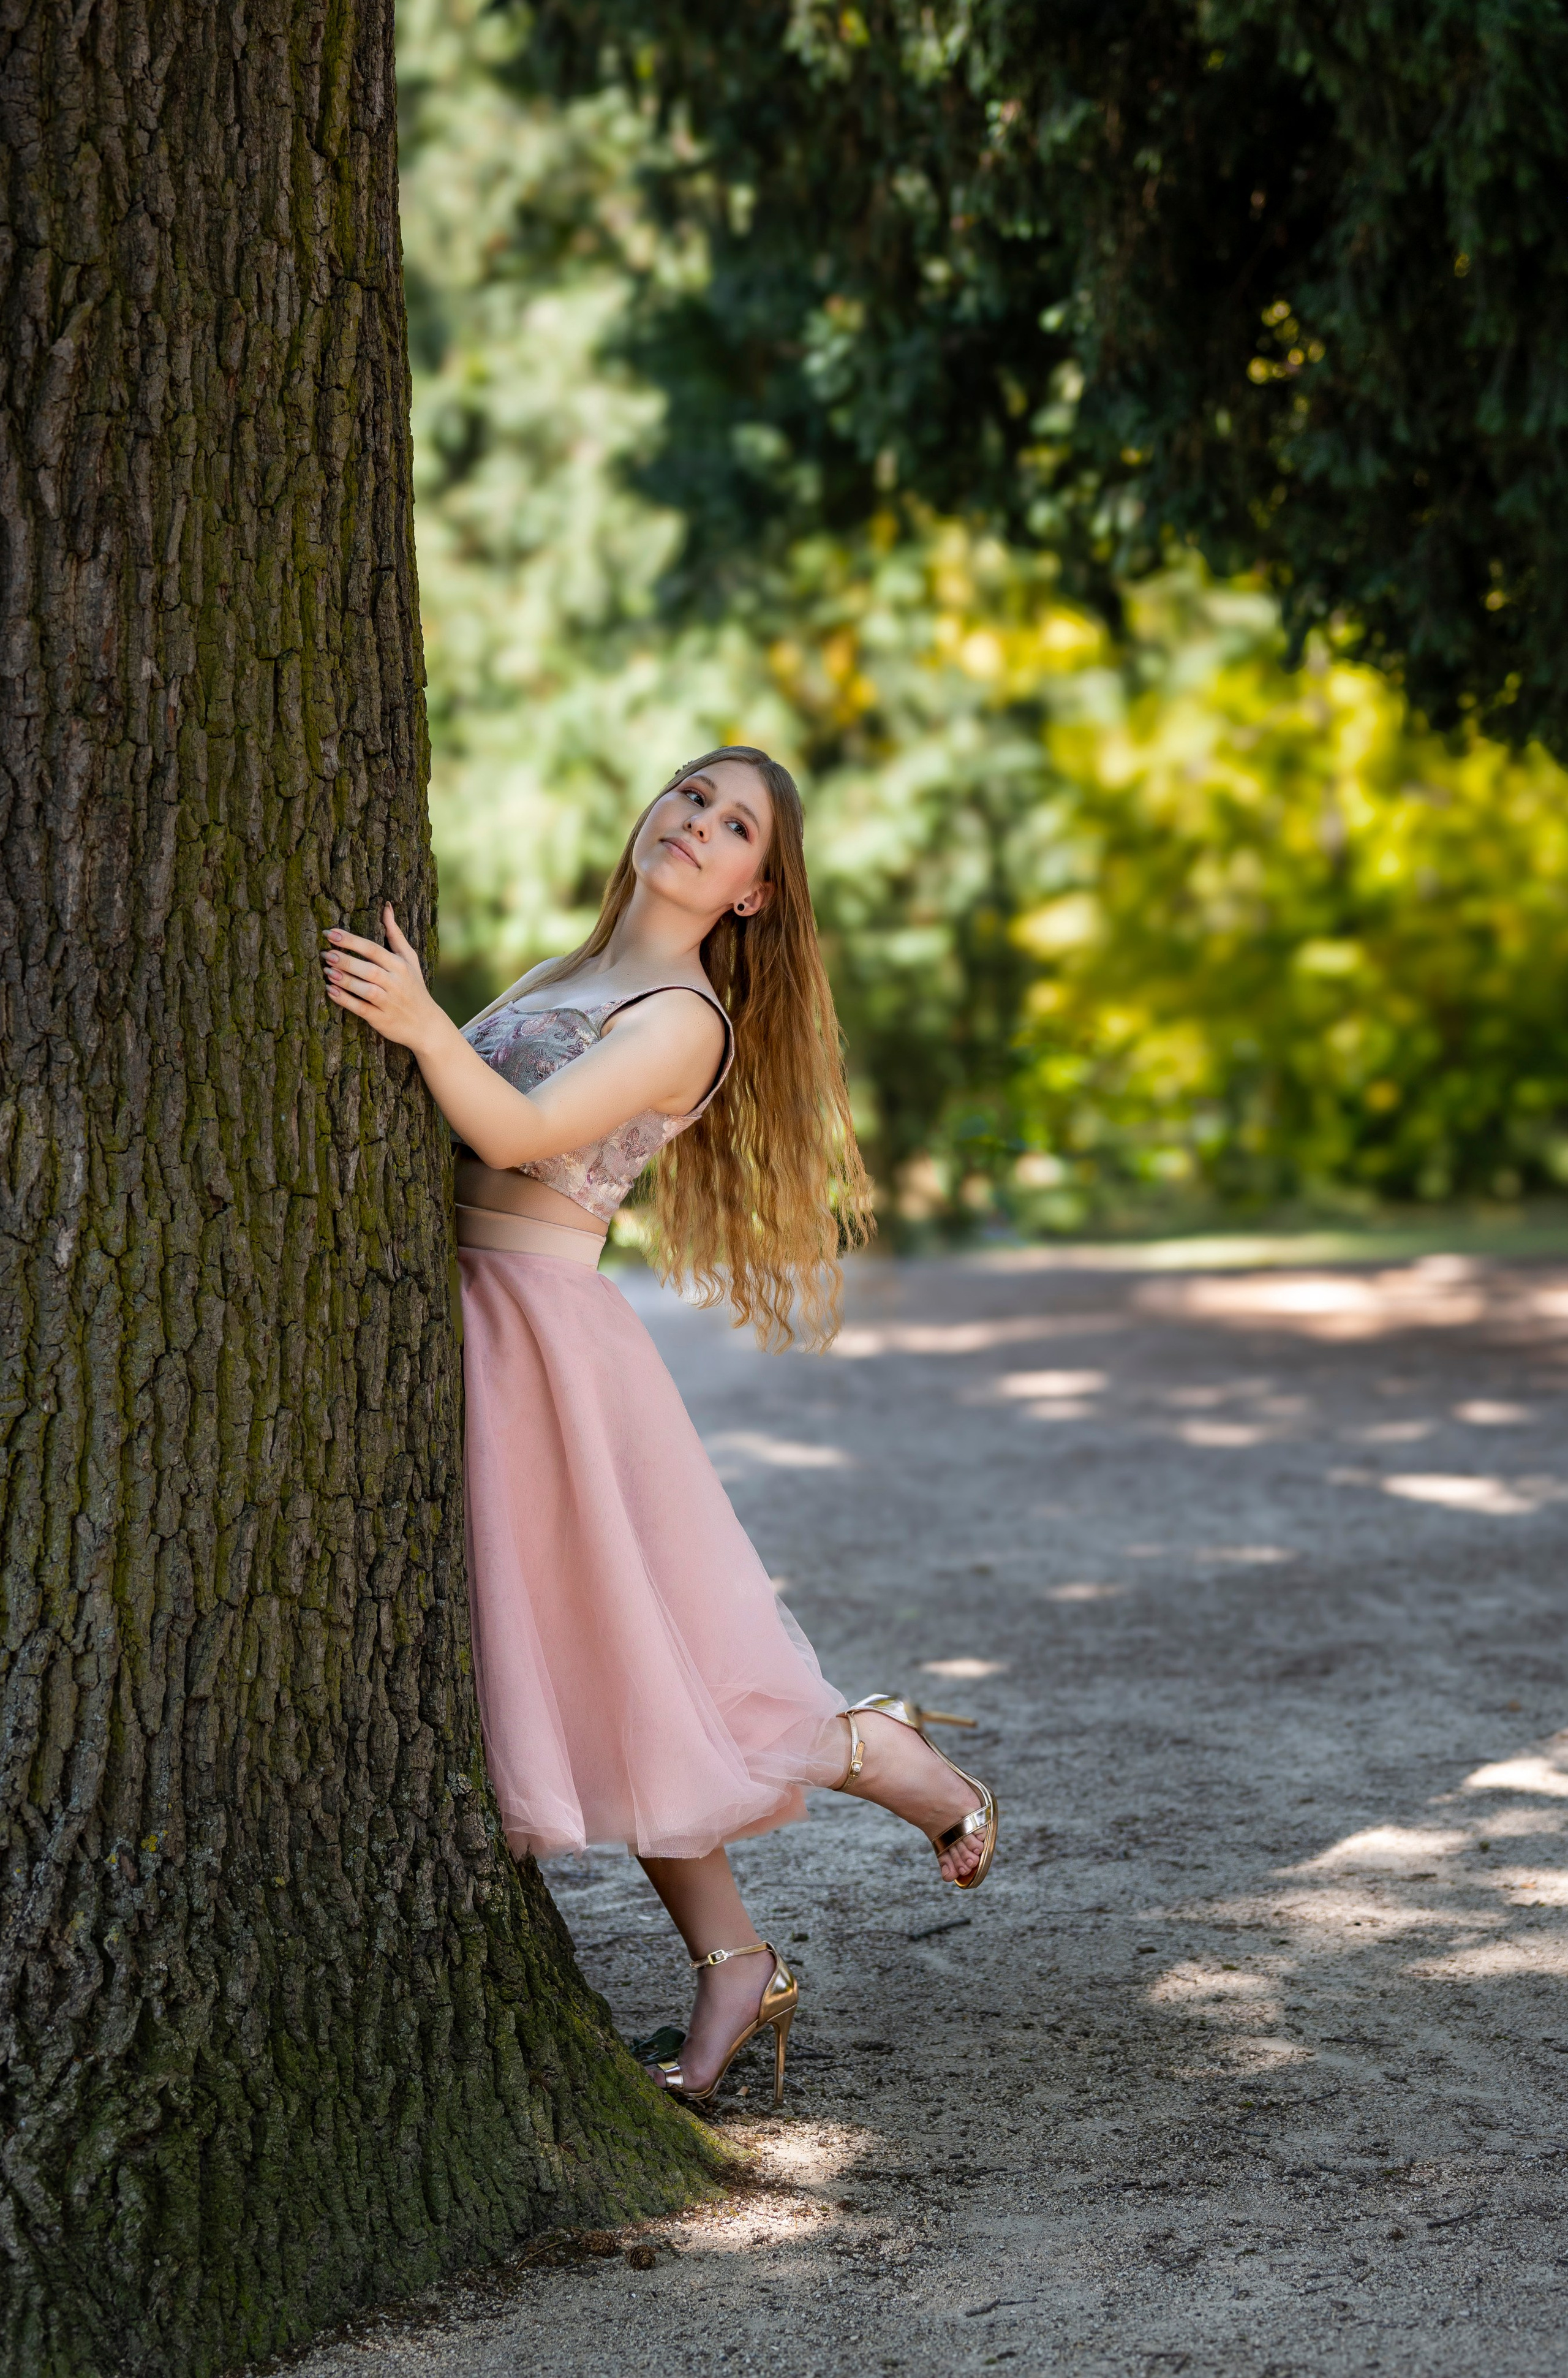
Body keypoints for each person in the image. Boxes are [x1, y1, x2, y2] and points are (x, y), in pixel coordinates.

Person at [321, 745, 996, 2107]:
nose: (697, 825)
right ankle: (734, 1958)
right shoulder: (560, 975)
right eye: (690, 795)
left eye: (735, 824)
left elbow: (513, 1134)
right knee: (608, 1664)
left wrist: (413, 1018)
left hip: (538, 1331)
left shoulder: (683, 1015)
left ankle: (881, 1755)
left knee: (636, 1650)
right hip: (460, 1316)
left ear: (755, 891)